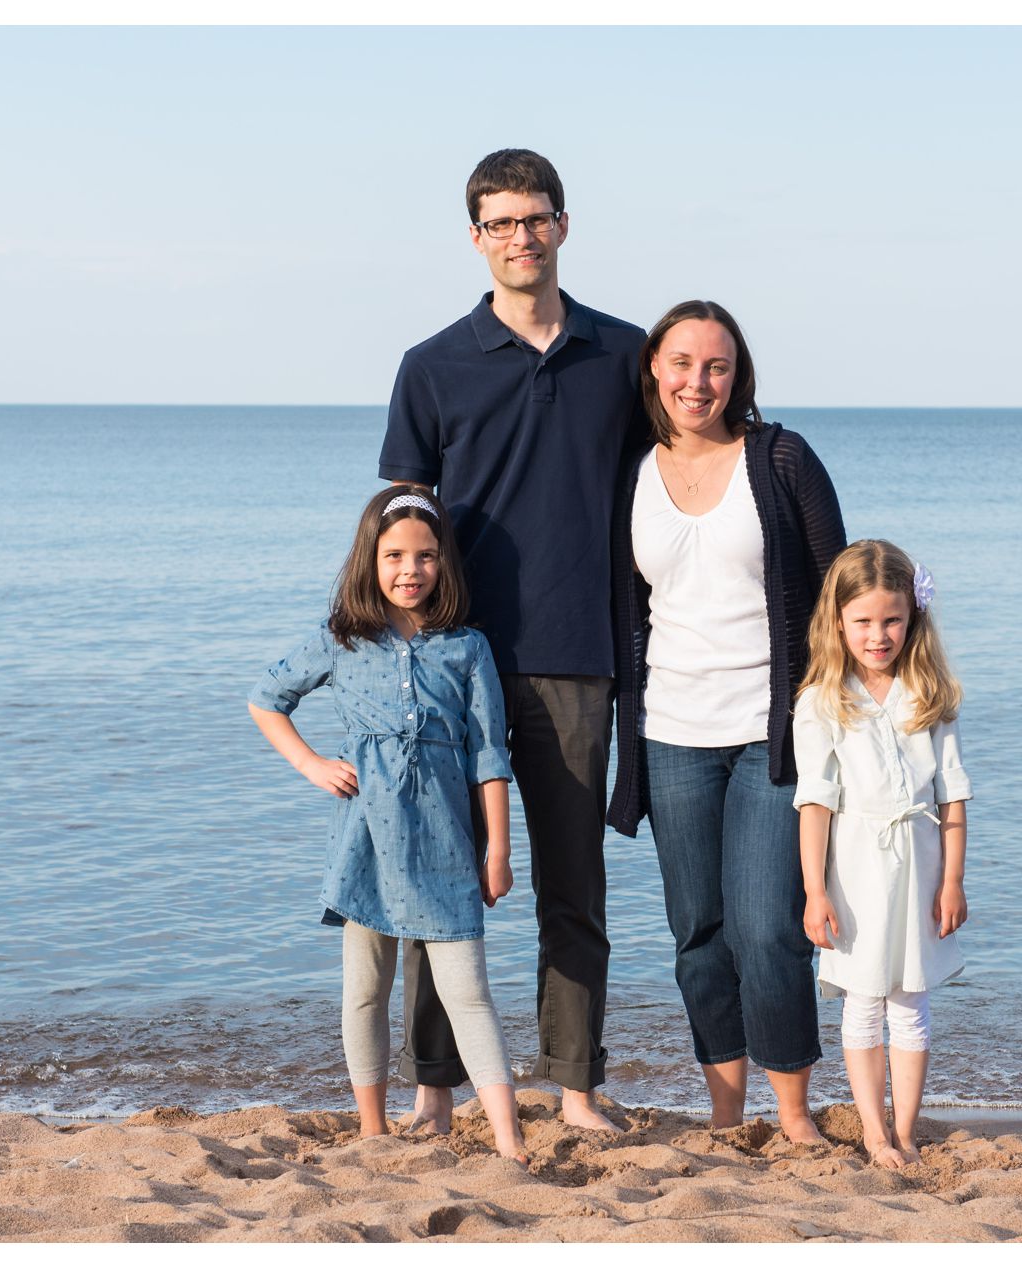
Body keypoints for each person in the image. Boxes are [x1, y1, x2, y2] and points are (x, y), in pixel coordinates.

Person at [377, 149, 646, 1134]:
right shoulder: (432, 364)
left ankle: (575, 1084)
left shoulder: (622, 355)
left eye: (534, 219)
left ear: (562, 226)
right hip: (457, 664)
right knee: (442, 886)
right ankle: (434, 1087)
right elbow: (399, 517)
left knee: (574, 883)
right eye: (499, 222)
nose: (519, 237)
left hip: (581, 655)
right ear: (475, 237)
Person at [606, 299, 847, 1143]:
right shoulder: (629, 470)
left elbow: (839, 588)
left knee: (766, 928)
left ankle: (791, 1111)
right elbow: (624, 604)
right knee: (698, 933)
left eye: (716, 366)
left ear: (737, 374)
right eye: (681, 364)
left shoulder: (781, 459)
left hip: (770, 733)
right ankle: (723, 1107)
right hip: (670, 732)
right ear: (654, 373)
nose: (697, 381)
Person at [247, 486, 527, 1163]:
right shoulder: (342, 639)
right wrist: (313, 764)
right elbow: (266, 698)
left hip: (446, 842)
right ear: (369, 559)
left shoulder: (467, 649)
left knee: (469, 993)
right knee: (366, 988)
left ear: (444, 564)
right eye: (394, 555)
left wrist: (499, 849)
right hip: (365, 839)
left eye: (425, 557)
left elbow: (491, 757)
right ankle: (372, 1128)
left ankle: (510, 1141)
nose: (410, 570)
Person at [794, 539, 972, 1168]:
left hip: (920, 864)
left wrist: (952, 880)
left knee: (911, 1001)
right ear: (838, 622)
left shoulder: (932, 694)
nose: (878, 635)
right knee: (864, 999)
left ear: (912, 618)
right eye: (863, 622)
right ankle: (873, 1130)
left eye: (891, 619)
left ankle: (906, 1129)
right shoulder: (822, 700)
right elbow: (814, 802)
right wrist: (814, 891)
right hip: (857, 871)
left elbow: (952, 796)